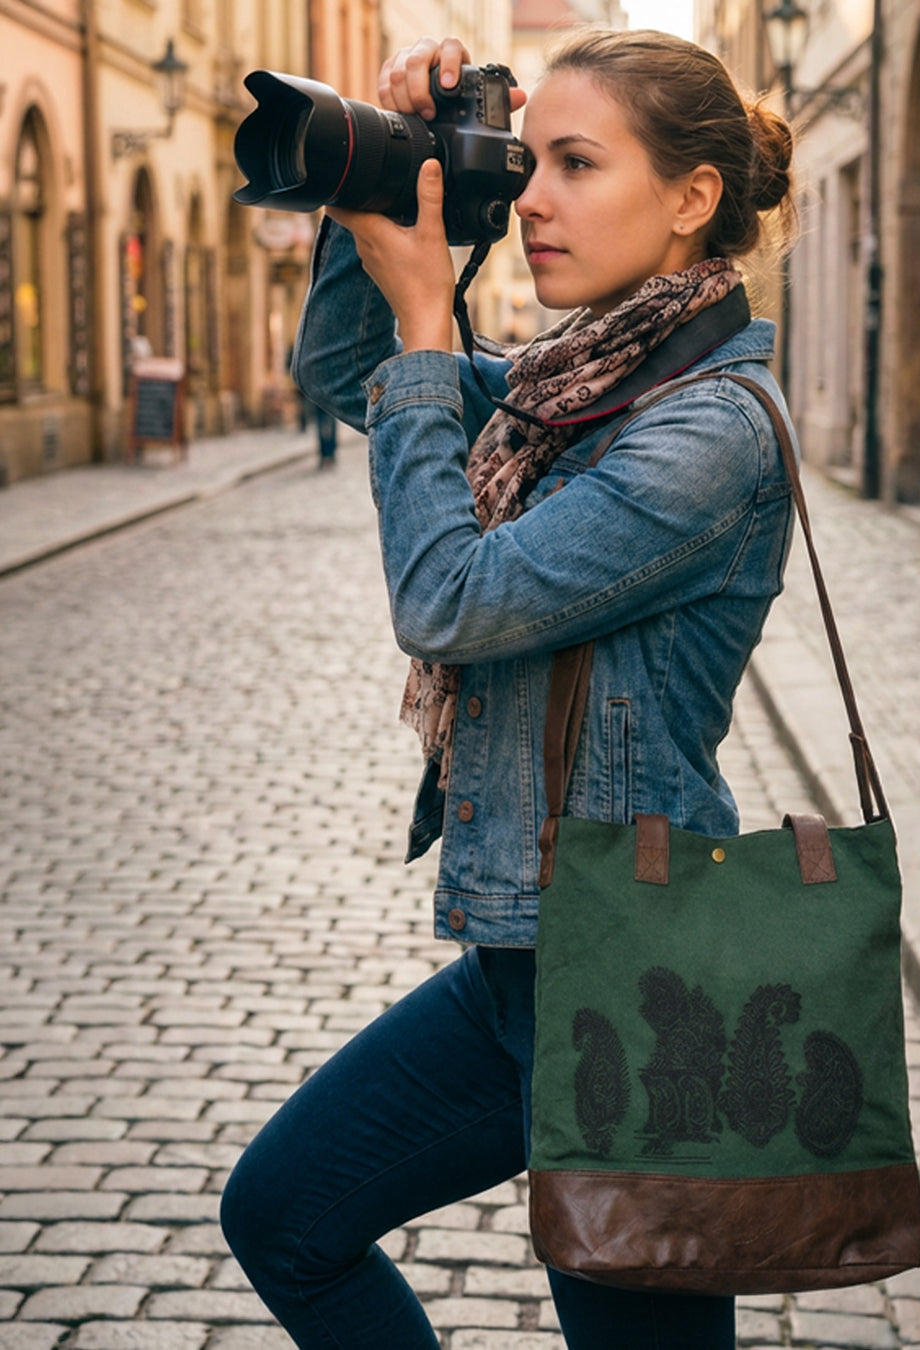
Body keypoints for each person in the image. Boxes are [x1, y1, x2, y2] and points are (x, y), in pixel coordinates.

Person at [221, 27, 798, 1349]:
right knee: (287, 1214)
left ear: (691, 199)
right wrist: (377, 198)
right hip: (523, 958)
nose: (530, 198)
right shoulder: (572, 392)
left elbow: (454, 599)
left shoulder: (710, 426)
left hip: (634, 984)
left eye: (577, 164)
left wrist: (434, 322)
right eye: (524, 163)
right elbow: (346, 381)